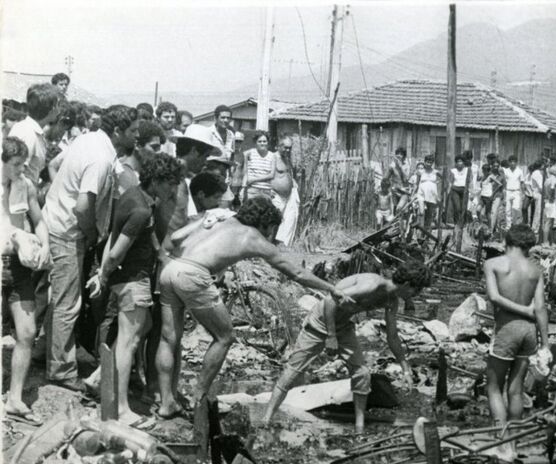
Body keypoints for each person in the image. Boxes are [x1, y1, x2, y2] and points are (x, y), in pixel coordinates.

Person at [154, 197, 353, 419]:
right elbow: (296, 273)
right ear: (265, 223)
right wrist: (330, 289)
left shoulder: (220, 217)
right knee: (225, 337)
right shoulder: (253, 237)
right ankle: (198, 398)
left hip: (171, 268)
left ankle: (166, 403)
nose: (271, 234)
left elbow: (175, 237)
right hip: (193, 274)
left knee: (168, 339)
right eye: (271, 228)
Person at [262, 261, 431, 430]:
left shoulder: (391, 301)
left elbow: (392, 336)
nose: (418, 293)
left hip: (343, 326)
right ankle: (266, 420)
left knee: (362, 374)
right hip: (320, 323)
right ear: (408, 285)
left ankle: (359, 427)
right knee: (292, 374)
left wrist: (406, 369)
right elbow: (330, 300)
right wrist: (331, 336)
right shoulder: (372, 285)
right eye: (418, 289)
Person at [41, 105, 138, 391]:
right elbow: (84, 206)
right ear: (118, 131)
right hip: (67, 232)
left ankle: (48, 352)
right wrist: (93, 232)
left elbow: (56, 165)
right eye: (132, 131)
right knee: (68, 303)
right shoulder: (100, 158)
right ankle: (61, 370)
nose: (136, 136)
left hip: (57, 221)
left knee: (60, 297)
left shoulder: (89, 138)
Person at [85, 153, 183, 428]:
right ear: (157, 180)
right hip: (132, 280)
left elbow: (121, 237)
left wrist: (159, 255)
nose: (173, 190)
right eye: (170, 183)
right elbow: (117, 250)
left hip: (127, 279)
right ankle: (121, 408)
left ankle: (98, 378)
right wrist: (102, 275)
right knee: (128, 343)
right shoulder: (141, 210)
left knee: (144, 327)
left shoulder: (133, 195)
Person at [484, 224, 550, 461]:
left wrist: (522, 310)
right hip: (530, 332)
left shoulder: (493, 264)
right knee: (516, 390)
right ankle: (513, 445)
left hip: (507, 329)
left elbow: (494, 297)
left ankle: (501, 444)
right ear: (529, 246)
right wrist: (546, 345)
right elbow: (540, 308)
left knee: (493, 387)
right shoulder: (536, 270)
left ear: (506, 242)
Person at [2, 137, 50, 426]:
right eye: (16, 165)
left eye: (24, 164)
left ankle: (15, 398)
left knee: (27, 332)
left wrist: (43, 245)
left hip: (20, 268)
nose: (21, 170)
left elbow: (40, 220)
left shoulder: (26, 185)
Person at [8, 83, 62, 184]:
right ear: (52, 109)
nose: (60, 110)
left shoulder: (30, 130)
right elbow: (14, 175)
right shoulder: (28, 133)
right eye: (58, 105)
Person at [270, 137, 299, 246]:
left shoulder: (287, 159)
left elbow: (286, 174)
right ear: (279, 146)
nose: (287, 150)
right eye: (285, 147)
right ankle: (267, 246)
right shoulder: (272, 157)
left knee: (288, 220)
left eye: (289, 148)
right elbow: (266, 174)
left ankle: (281, 245)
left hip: (288, 195)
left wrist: (293, 181)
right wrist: (269, 189)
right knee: (274, 220)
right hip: (276, 194)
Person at [243, 131, 276, 201]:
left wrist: (253, 179)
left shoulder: (272, 156)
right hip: (252, 190)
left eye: (264, 141)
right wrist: (243, 187)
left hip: (266, 191)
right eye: (259, 141)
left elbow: (271, 175)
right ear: (255, 143)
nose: (262, 143)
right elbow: (245, 172)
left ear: (268, 142)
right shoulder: (249, 153)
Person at [417, 155, 440, 236]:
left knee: (429, 215)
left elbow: (444, 180)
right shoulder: (420, 172)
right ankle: (419, 231)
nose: (429, 164)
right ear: (424, 162)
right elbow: (416, 183)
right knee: (421, 212)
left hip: (432, 195)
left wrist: (438, 191)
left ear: (432, 163)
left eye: (430, 162)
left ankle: (426, 233)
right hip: (421, 193)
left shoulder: (436, 172)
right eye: (427, 162)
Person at [449, 153, 469, 239]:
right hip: (455, 189)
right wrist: (449, 189)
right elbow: (450, 181)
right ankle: (456, 224)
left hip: (464, 190)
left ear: (464, 162)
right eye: (457, 161)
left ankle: (462, 225)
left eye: (461, 161)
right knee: (457, 208)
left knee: (464, 208)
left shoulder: (468, 170)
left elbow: (470, 181)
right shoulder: (453, 170)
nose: (459, 163)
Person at [502, 156, 523, 230]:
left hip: (516, 191)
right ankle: (508, 225)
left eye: (514, 161)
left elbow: (522, 182)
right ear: (509, 162)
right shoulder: (506, 171)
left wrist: (522, 193)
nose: (512, 163)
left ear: (516, 162)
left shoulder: (520, 171)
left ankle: (513, 223)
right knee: (507, 210)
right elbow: (504, 183)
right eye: (511, 161)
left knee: (515, 208)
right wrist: (504, 194)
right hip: (508, 191)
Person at [389, 147, 412, 213]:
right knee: (394, 209)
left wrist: (401, 167)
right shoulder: (392, 165)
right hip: (394, 190)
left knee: (399, 209)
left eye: (401, 154)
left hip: (404, 191)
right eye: (397, 154)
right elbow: (387, 177)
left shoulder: (406, 166)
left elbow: (406, 179)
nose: (399, 155)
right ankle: (396, 223)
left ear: (404, 157)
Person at [530, 162, 544, 232]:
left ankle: (536, 227)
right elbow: (540, 187)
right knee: (538, 212)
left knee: (538, 211)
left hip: (537, 193)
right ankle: (535, 228)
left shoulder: (537, 173)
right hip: (539, 193)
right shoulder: (537, 173)